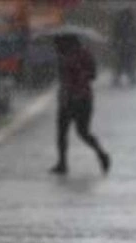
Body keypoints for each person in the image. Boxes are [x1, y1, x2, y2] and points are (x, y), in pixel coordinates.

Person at [51, 35, 110, 175]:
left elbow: (92, 75)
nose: (56, 47)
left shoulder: (80, 55)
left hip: (78, 99)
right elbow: (64, 77)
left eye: (57, 43)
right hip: (73, 98)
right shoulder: (65, 56)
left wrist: (78, 72)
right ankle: (63, 163)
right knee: (69, 132)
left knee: (76, 132)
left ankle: (100, 154)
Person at [111, 8, 136, 87]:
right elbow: (135, 36)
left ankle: (116, 80)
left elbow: (115, 36)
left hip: (122, 48)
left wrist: (115, 46)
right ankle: (132, 79)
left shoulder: (119, 23)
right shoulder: (131, 24)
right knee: (129, 64)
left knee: (120, 64)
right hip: (129, 48)